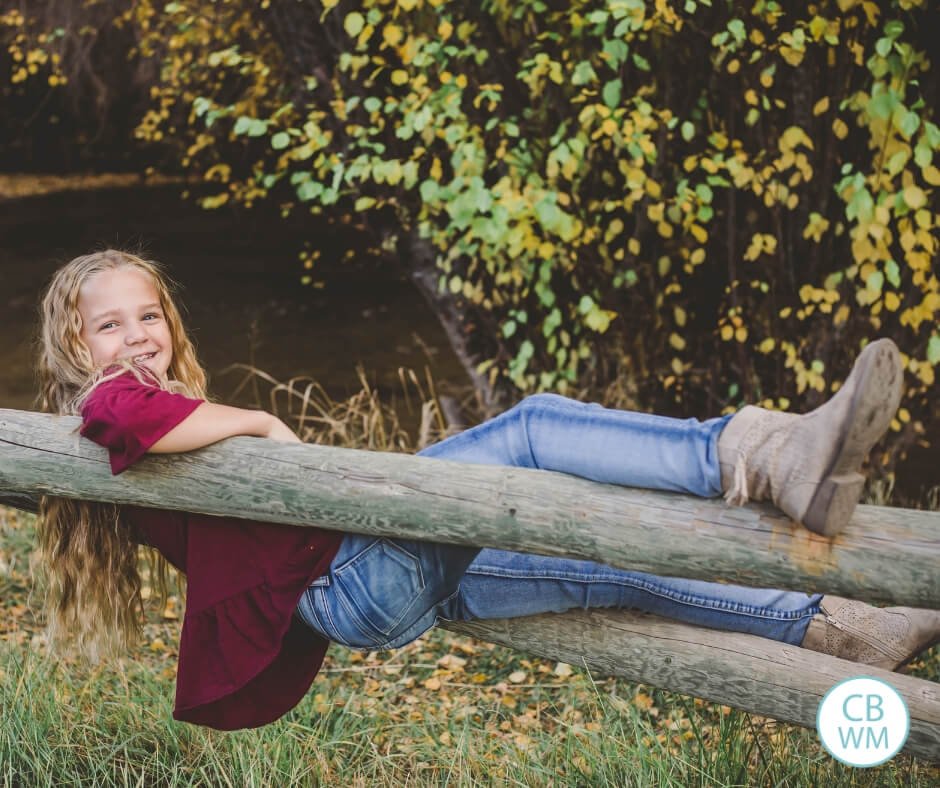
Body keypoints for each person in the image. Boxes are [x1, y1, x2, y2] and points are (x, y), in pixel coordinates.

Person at [31, 248, 940, 731]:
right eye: (110, 325)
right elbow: (123, 415)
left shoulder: (154, 408)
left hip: (356, 593)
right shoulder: (110, 407)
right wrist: (265, 425)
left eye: (149, 314)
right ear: (77, 351)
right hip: (353, 578)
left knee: (602, 566)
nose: (138, 334)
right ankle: (763, 454)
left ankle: (832, 627)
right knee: (534, 426)